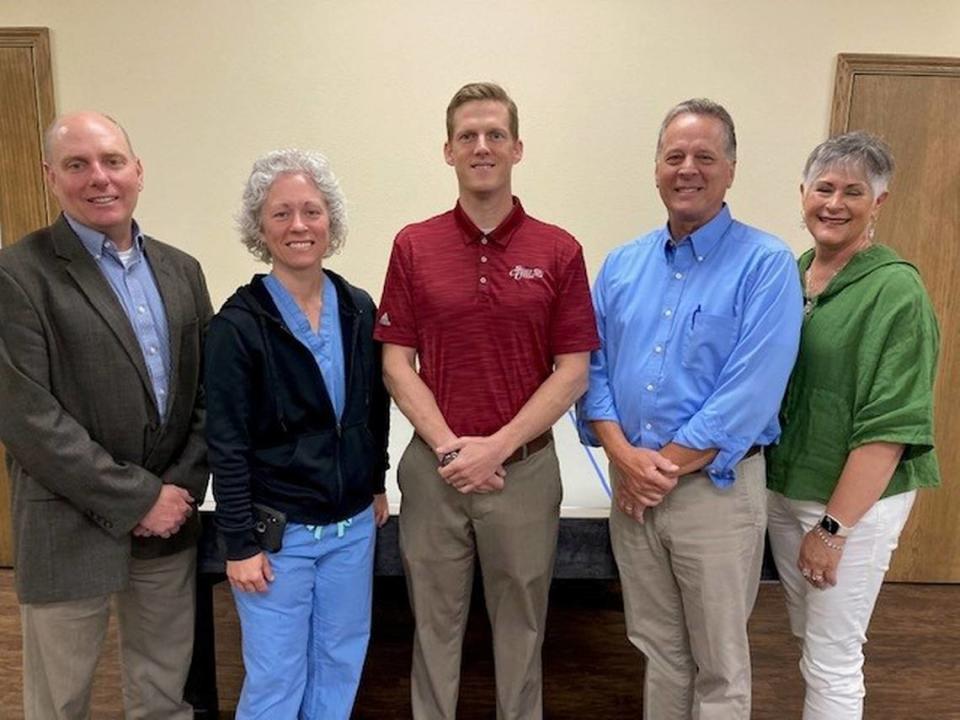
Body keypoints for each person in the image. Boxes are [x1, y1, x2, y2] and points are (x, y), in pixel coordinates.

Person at [375, 81, 599, 719]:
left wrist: (495, 448)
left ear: (517, 148)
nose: (481, 146)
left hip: (523, 472)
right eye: (467, 136)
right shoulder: (414, 245)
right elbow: (396, 364)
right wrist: (451, 450)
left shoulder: (558, 250)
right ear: (447, 150)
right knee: (432, 628)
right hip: (434, 471)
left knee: (523, 631)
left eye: (494, 135)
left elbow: (573, 370)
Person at [577, 98, 803, 719]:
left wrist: (657, 472)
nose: (688, 169)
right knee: (658, 651)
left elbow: (748, 393)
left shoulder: (767, 265)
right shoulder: (622, 265)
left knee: (719, 664)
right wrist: (626, 461)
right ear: (655, 168)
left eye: (705, 156)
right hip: (634, 492)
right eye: (674, 155)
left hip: (717, 496)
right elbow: (590, 369)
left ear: (731, 170)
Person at [0, 111, 211, 720]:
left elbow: (204, 398)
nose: (100, 178)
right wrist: (138, 498)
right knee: (58, 703)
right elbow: (27, 418)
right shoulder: (17, 274)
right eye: (77, 165)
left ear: (137, 171)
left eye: (112, 161)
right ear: (50, 177)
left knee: (165, 698)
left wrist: (176, 492)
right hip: (67, 524)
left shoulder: (182, 271)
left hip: (168, 526)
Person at [204, 148, 390, 720]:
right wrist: (238, 542)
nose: (299, 225)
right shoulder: (237, 326)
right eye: (281, 213)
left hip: (351, 530)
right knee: (276, 679)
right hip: (276, 538)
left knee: (340, 664)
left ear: (330, 221)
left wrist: (376, 479)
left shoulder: (358, 308)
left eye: (311, 210)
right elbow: (226, 441)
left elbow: (373, 405)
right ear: (260, 229)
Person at [766, 131, 940, 719]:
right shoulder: (794, 274)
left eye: (853, 192)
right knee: (807, 640)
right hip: (787, 487)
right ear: (803, 194)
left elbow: (890, 424)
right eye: (824, 188)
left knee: (833, 657)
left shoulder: (897, 290)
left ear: (879, 204)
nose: (834, 203)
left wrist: (834, 528)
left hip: (849, 506)